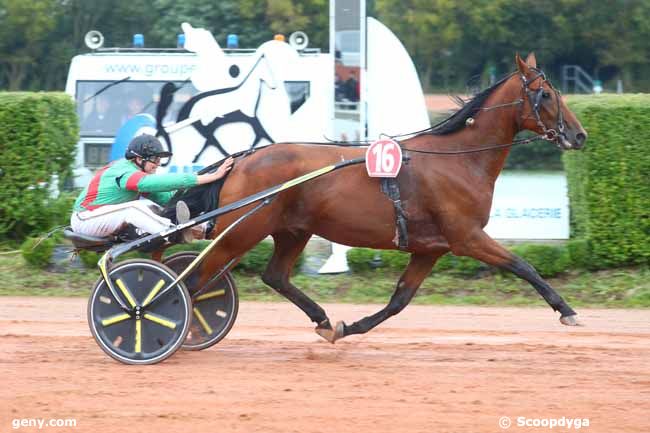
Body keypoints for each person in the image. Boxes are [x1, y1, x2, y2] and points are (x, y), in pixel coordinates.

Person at [71, 134, 234, 243]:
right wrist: (210, 177)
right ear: (138, 159)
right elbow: (151, 183)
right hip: (84, 218)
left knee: (152, 207)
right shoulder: (123, 170)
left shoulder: (138, 175)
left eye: (159, 160)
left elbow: (167, 199)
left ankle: (204, 230)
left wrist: (203, 194)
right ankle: (172, 231)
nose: (157, 165)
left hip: (99, 218)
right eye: (154, 160)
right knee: (135, 208)